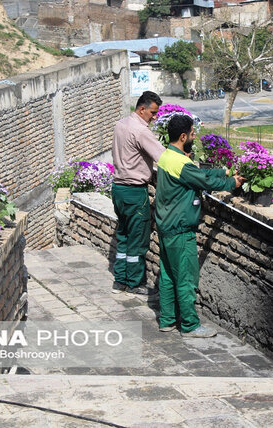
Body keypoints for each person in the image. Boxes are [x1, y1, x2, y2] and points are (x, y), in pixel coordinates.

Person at [155, 115, 244, 337]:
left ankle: (166, 320)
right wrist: (232, 182)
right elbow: (204, 182)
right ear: (183, 136)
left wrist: (222, 171)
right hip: (180, 230)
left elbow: (198, 174)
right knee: (185, 278)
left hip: (166, 227)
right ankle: (190, 325)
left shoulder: (167, 157)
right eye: (193, 134)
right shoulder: (180, 163)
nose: (195, 137)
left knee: (167, 275)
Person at [111, 91, 165, 295]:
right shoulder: (141, 131)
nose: (154, 117)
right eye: (152, 112)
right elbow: (162, 157)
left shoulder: (120, 124)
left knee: (123, 235)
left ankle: (120, 280)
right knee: (138, 239)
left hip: (118, 189)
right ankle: (134, 283)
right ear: (142, 109)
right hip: (134, 191)